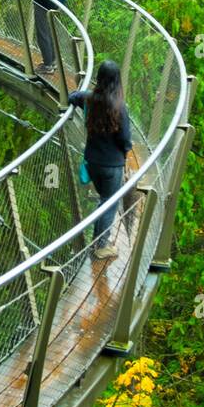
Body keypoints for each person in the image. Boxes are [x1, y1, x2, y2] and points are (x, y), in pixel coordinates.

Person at [68, 60, 132, 261]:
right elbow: (125, 139)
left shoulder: (89, 99)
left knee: (104, 200)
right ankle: (101, 247)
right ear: (117, 81)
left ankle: (97, 241)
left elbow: (72, 97)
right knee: (109, 204)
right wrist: (126, 154)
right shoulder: (119, 107)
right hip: (112, 166)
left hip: (92, 163)